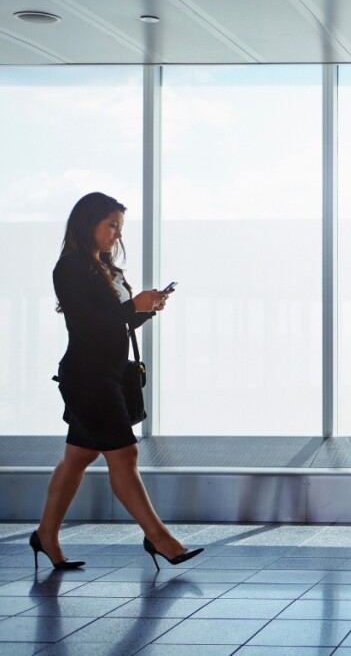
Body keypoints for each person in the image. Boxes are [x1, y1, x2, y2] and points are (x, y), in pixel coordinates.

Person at [30, 192, 202, 570]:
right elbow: (91, 324)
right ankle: (161, 540)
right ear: (87, 223)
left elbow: (117, 322)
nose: (116, 234)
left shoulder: (109, 269)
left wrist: (147, 308)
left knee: (78, 456)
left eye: (120, 227)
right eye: (111, 224)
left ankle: (45, 536)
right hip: (87, 377)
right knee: (125, 454)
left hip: (108, 372)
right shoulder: (69, 268)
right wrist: (133, 306)